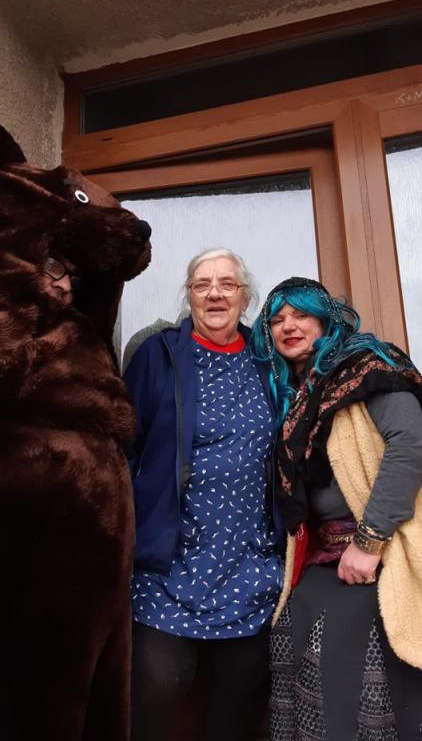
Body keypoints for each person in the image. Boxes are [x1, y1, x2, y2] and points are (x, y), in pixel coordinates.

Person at [0, 124, 152, 741]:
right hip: (35, 560)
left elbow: (120, 250)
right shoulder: (13, 318)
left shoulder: (80, 330)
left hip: (96, 568)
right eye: (53, 268)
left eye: (72, 275)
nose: (64, 283)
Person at [251, 276, 422, 741]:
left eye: (301, 314)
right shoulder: (296, 393)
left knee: (357, 670)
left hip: (384, 549)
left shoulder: (368, 366)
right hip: (326, 555)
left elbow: (409, 443)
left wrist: (370, 541)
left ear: (325, 321)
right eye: (277, 319)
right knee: (291, 637)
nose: (288, 325)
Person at [124, 248, 284, 741]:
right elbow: (122, 444)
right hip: (167, 563)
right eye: (201, 284)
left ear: (245, 297)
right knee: (155, 690)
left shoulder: (269, 361)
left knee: (237, 707)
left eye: (227, 284)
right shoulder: (158, 355)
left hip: (249, 564)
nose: (214, 294)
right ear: (189, 296)